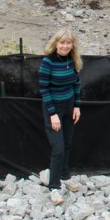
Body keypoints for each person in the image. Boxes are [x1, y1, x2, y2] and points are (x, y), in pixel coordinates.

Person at [39, 28, 82, 204]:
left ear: (72, 45)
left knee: (67, 144)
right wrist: (53, 114)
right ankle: (54, 187)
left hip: (69, 107)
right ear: (56, 43)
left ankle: (65, 176)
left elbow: (76, 84)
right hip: (53, 108)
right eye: (62, 42)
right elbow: (44, 89)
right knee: (58, 148)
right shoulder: (48, 62)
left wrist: (77, 106)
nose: (65, 46)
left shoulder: (73, 61)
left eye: (68, 43)